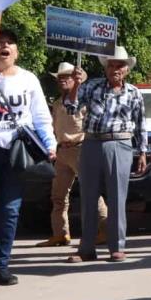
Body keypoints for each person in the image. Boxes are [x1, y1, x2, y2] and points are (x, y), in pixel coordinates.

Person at [0, 29, 57, 285]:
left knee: (10, 210)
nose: (4, 47)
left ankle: (0, 267)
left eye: (10, 43)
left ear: (16, 52)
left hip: (16, 152)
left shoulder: (28, 79)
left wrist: (49, 143)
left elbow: (40, 116)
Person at [66, 46, 147, 263]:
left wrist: (142, 152)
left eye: (119, 65)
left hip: (121, 143)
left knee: (118, 197)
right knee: (88, 197)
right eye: (111, 65)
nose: (115, 69)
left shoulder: (134, 93)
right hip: (92, 142)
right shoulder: (91, 86)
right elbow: (71, 108)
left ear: (127, 69)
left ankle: (117, 247)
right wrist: (75, 85)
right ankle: (86, 248)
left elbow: (140, 124)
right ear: (106, 68)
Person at [36, 63, 108, 248]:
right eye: (60, 77)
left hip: (80, 148)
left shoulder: (84, 100)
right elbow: (52, 126)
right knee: (58, 196)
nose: (63, 80)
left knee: (91, 192)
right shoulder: (58, 102)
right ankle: (60, 234)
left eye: (67, 76)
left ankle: (105, 230)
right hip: (61, 151)